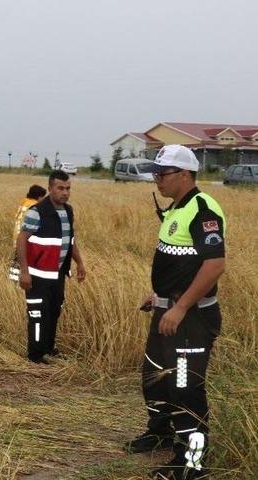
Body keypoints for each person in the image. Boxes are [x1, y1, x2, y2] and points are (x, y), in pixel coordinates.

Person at [124, 145, 225, 480]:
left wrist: (180, 307)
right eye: (155, 173)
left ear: (184, 174)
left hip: (191, 320)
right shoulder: (176, 209)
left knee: (185, 388)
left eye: (162, 173)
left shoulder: (203, 210)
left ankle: (191, 464)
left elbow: (214, 265)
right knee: (155, 376)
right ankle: (162, 433)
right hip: (168, 310)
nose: (157, 179)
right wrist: (161, 296)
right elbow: (182, 265)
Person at [16, 170, 86, 364]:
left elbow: (70, 240)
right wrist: (24, 272)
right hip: (38, 276)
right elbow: (21, 240)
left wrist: (80, 262)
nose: (65, 192)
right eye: (60, 188)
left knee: (54, 312)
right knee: (38, 314)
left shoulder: (68, 211)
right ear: (50, 188)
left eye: (68, 188)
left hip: (58, 275)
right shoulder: (37, 211)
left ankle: (48, 349)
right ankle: (35, 356)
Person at [8, 184, 47, 282]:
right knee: (27, 268)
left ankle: (12, 285)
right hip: (26, 241)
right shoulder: (34, 207)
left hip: (16, 239)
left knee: (15, 266)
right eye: (43, 197)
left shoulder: (24, 204)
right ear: (39, 197)